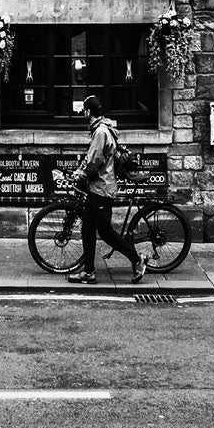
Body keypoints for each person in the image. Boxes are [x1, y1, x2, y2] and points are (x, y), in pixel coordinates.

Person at [65, 95, 145, 285]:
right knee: (87, 230)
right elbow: (92, 158)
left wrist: (80, 175)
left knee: (106, 232)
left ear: (87, 112)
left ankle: (137, 260)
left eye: (84, 110)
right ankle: (89, 272)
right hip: (97, 188)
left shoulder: (100, 132)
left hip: (102, 188)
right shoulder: (101, 129)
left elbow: (94, 161)